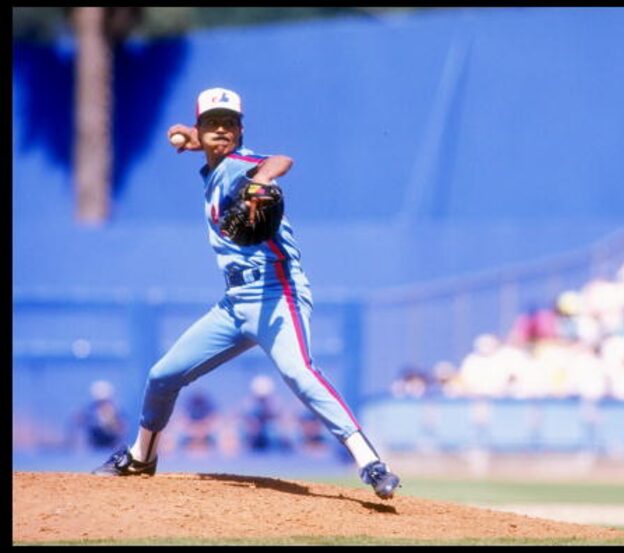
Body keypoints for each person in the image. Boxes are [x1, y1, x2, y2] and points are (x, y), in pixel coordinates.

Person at [92, 87, 401, 500]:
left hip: (276, 292)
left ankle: (370, 463)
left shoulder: (242, 164)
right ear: (201, 130)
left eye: (229, 124)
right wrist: (188, 136)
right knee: (161, 376)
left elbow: (280, 160)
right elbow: (204, 146)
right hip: (233, 304)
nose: (221, 130)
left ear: (240, 131)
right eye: (211, 123)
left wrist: (261, 179)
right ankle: (141, 456)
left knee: (299, 373)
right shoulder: (213, 165)